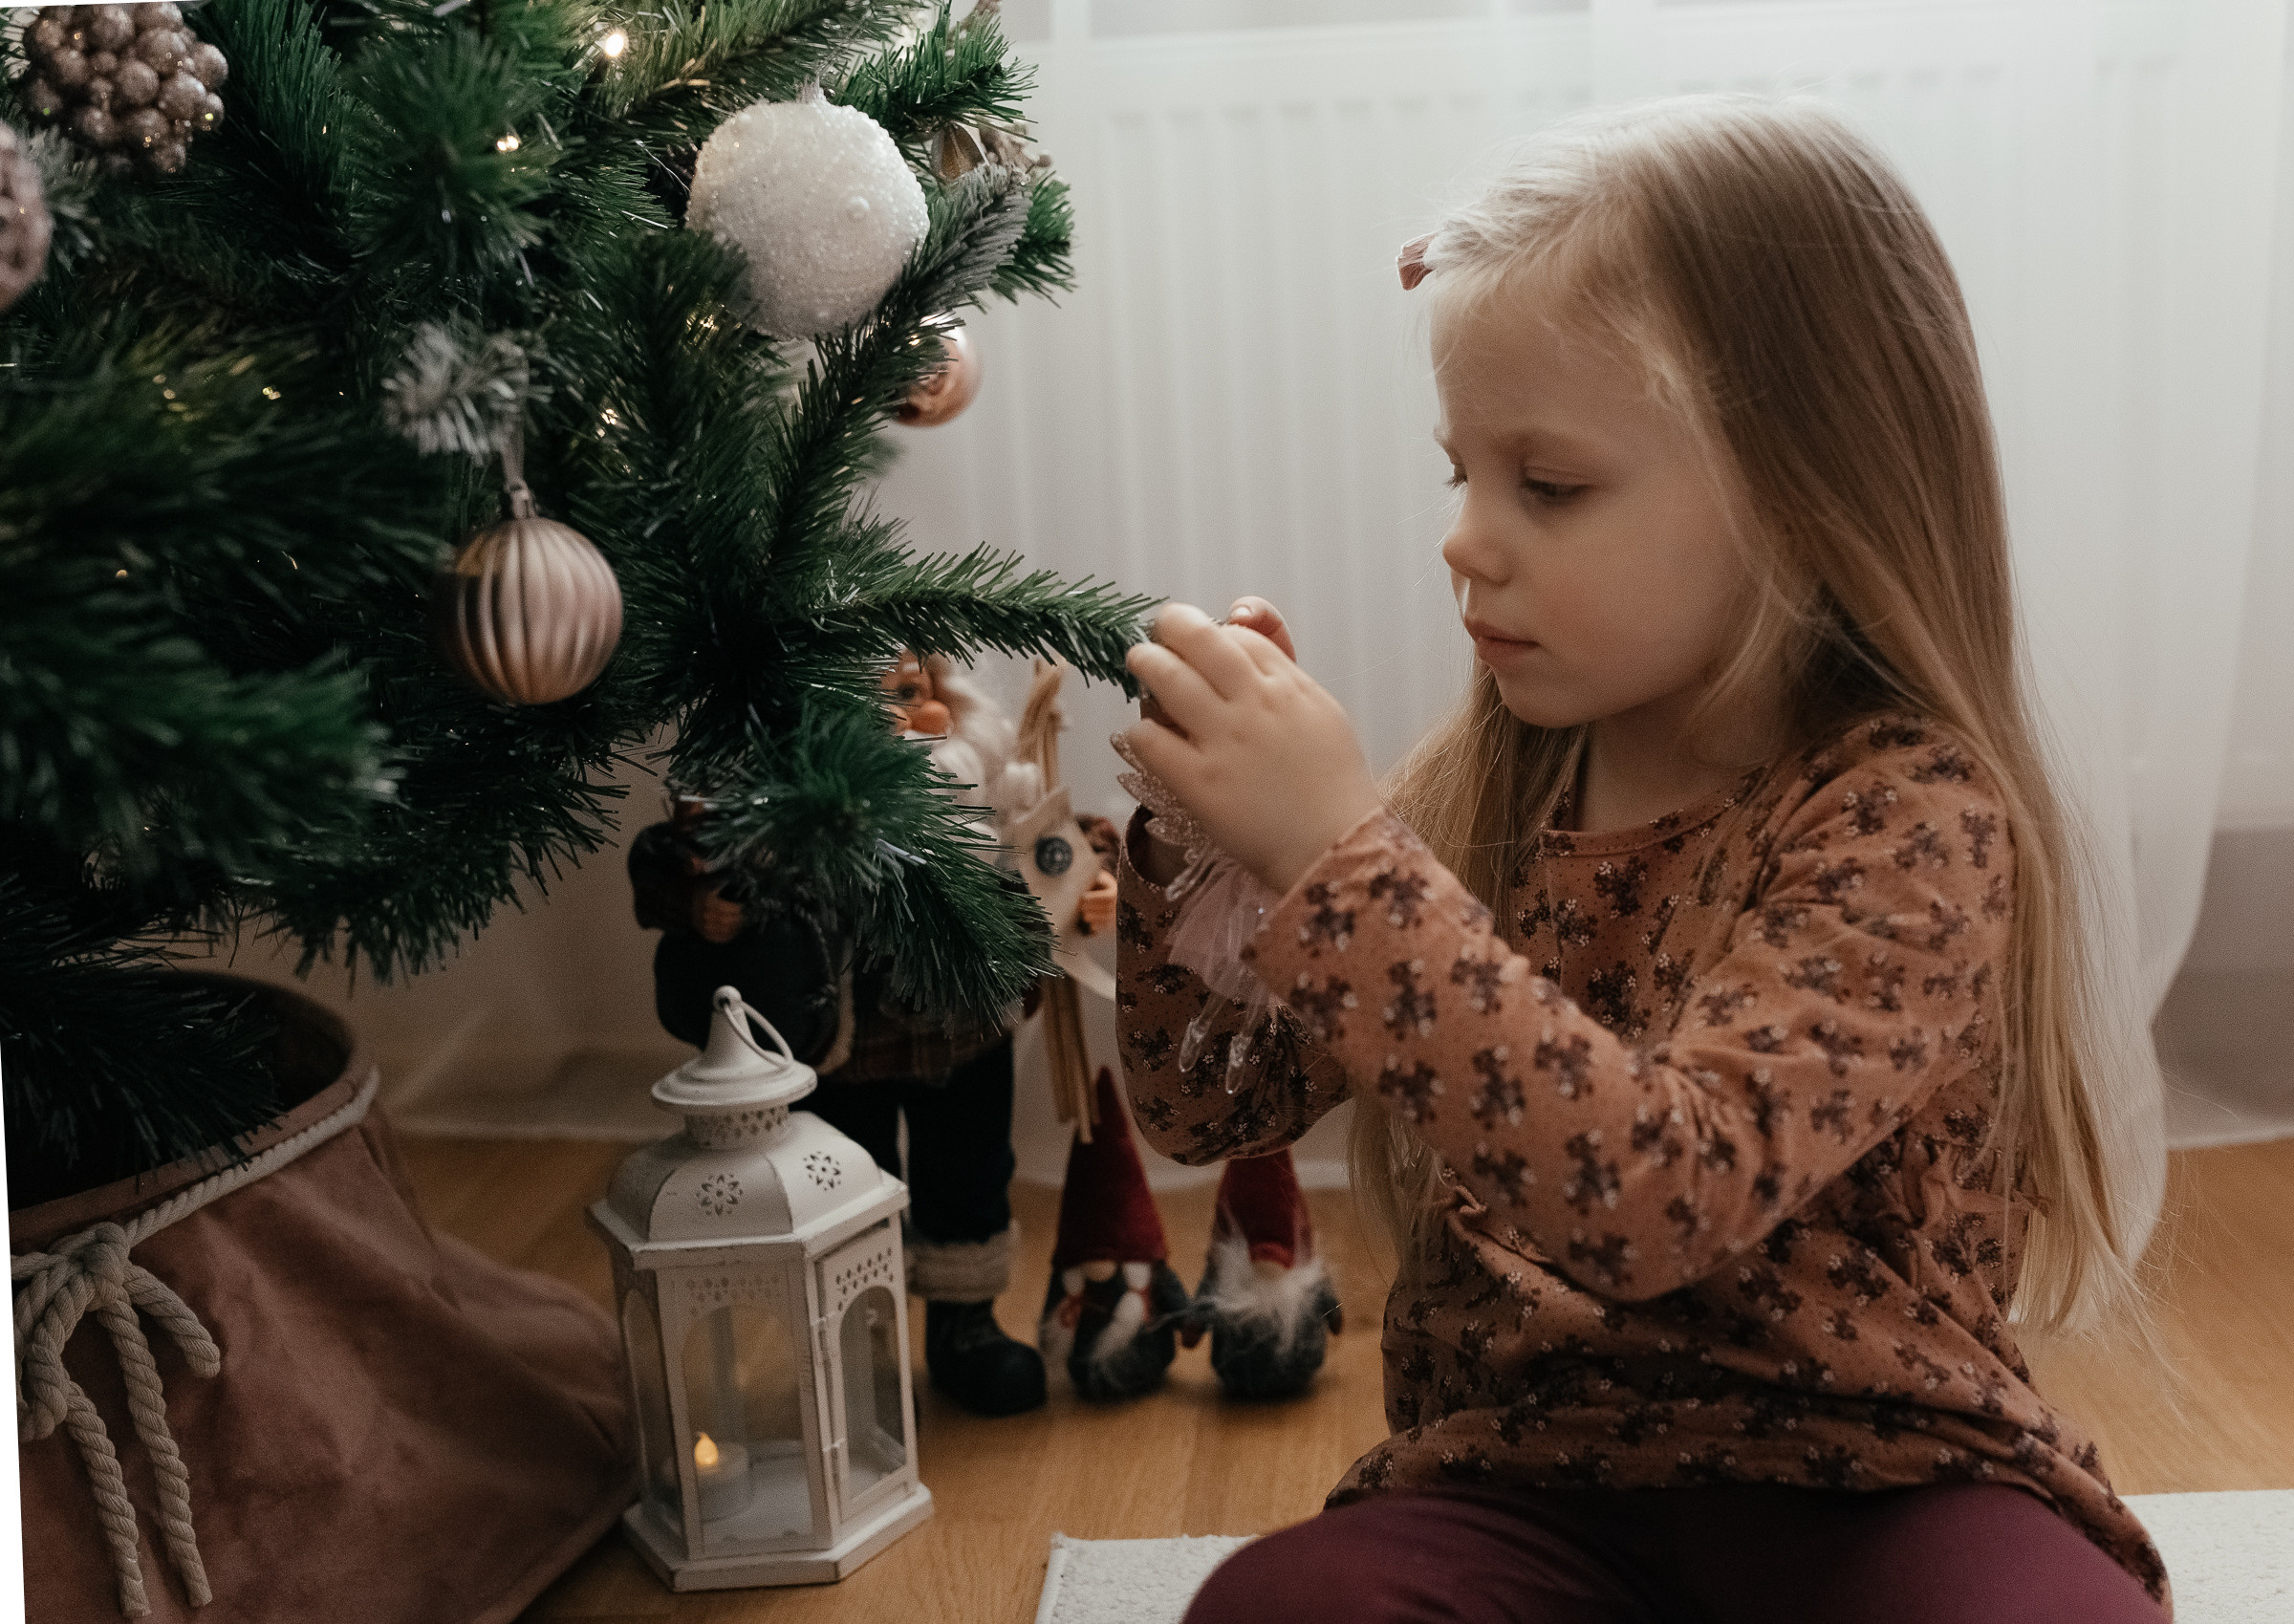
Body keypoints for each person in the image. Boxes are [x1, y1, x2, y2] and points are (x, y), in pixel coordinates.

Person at [1112, 96, 2172, 1623]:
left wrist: (1335, 864)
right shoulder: (1483, 785)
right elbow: (1210, 1102)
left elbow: (1663, 1199)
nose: (1466, 538)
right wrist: (1213, 847)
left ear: (1803, 496)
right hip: (1527, 1484)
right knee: (1275, 1612)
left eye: (1547, 486)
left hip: (1882, 1477)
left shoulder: (1911, 814)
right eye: (1460, 471)